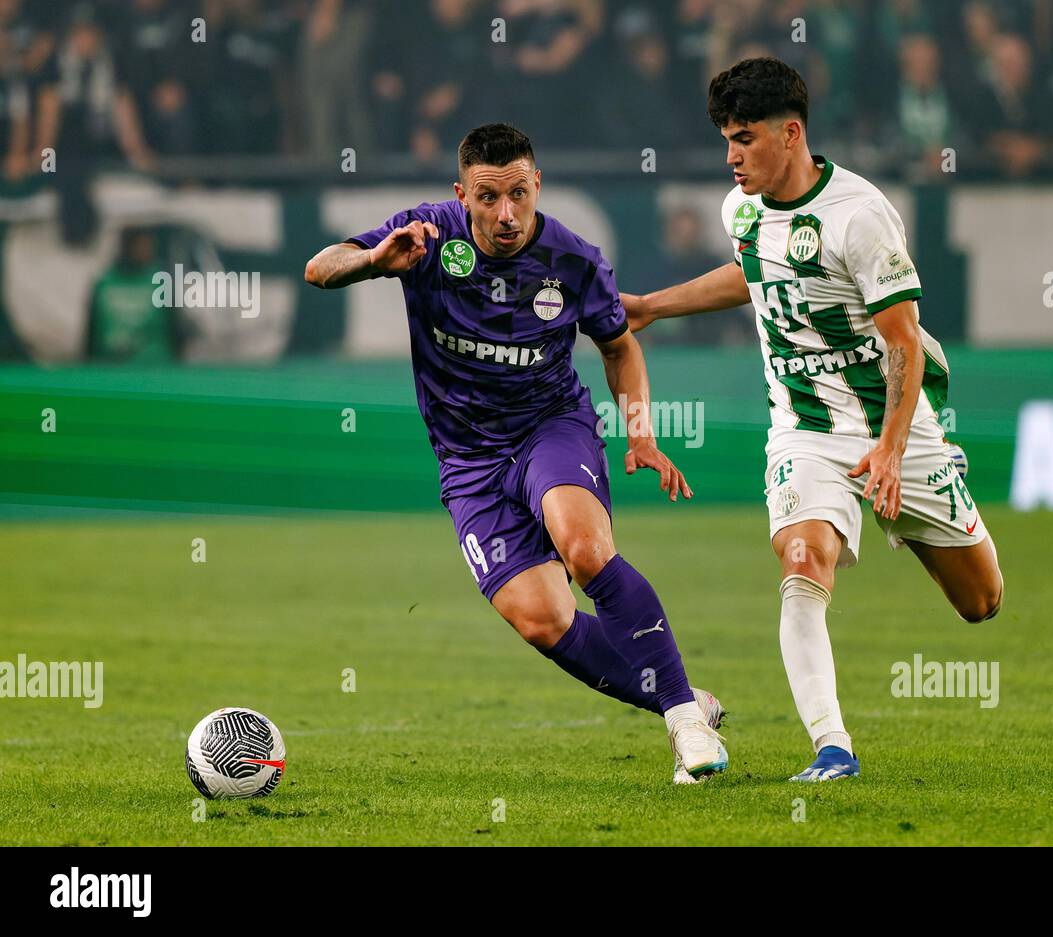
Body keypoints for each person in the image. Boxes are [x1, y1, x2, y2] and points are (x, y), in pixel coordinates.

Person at [304, 123, 727, 783]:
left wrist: (639, 431)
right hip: (467, 456)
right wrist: (370, 260)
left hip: (549, 426)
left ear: (538, 186)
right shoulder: (424, 236)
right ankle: (684, 698)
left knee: (584, 548)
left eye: (519, 194)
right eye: (489, 197)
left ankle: (686, 728)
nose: (506, 214)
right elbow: (317, 268)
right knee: (542, 619)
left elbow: (620, 346)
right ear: (461, 193)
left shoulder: (574, 258)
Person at [621, 58, 1003, 783]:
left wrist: (891, 452)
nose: (731, 156)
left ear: (790, 134)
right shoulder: (744, 211)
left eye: (744, 139)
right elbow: (755, 273)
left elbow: (902, 343)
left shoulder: (860, 215)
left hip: (898, 426)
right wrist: (653, 306)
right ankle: (833, 748)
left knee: (981, 601)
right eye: (725, 140)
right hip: (804, 428)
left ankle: (917, 498)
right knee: (801, 559)